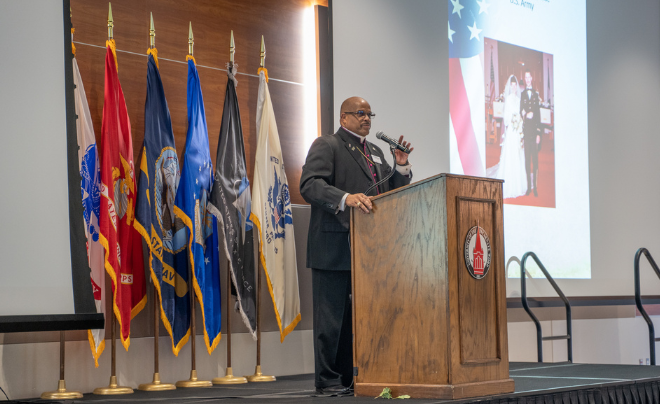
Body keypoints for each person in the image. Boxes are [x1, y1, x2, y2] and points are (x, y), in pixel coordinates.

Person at [299, 96, 413, 395]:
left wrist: (400, 167)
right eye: (360, 113)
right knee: (331, 319)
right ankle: (329, 380)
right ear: (343, 118)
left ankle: (355, 377)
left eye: (369, 114)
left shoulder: (374, 150)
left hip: (368, 251)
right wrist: (344, 198)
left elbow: (389, 192)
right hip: (333, 245)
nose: (366, 118)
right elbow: (309, 184)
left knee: (358, 318)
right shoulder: (328, 145)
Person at [488, 75, 527, 198]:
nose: (514, 87)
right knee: (511, 154)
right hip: (511, 130)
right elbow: (506, 118)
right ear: (510, 86)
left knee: (518, 153)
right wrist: (513, 120)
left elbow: (520, 114)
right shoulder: (509, 99)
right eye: (512, 85)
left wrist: (520, 121)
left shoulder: (518, 100)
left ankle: (518, 182)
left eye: (515, 85)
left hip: (518, 130)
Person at [520, 70, 541, 196]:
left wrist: (539, 134)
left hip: (534, 133)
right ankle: (529, 187)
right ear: (525, 79)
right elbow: (520, 110)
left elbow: (538, 115)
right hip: (526, 134)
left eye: (529, 77)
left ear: (532, 78)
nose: (527, 79)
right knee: (527, 161)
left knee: (536, 161)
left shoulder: (535, 95)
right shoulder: (522, 94)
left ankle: (536, 187)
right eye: (526, 77)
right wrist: (525, 114)